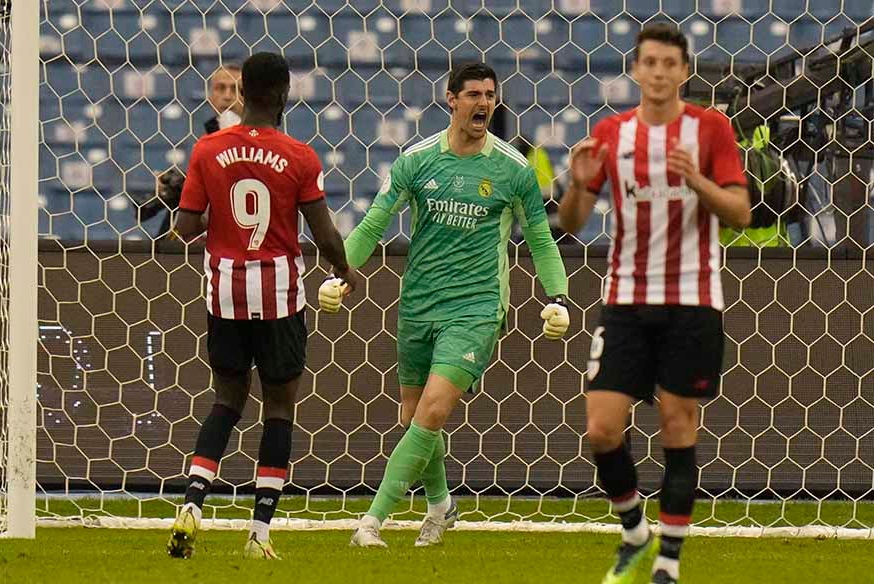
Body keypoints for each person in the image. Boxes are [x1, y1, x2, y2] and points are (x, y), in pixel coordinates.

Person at [319, 62, 570, 549]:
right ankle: (441, 505)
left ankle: (371, 522)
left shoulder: (513, 169)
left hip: (476, 307)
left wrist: (556, 294)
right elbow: (374, 222)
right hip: (418, 304)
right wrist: (341, 273)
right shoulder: (416, 161)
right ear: (450, 99)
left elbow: (539, 236)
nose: (483, 102)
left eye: (490, 95)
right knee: (412, 417)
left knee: (432, 412)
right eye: (473, 93)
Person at [558, 23, 750, 584]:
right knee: (601, 429)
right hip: (626, 299)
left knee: (677, 424)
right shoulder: (612, 135)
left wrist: (699, 183)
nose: (661, 73)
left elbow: (740, 213)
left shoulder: (711, 129)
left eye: (671, 63)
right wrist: (576, 186)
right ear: (636, 71)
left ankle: (668, 561)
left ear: (685, 72)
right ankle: (634, 528)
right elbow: (570, 223)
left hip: (693, 301)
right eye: (651, 63)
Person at [167, 52, 357, 560]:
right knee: (278, 407)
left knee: (227, 401)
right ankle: (259, 534)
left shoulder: (207, 150)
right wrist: (343, 269)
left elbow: (184, 228)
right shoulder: (300, 155)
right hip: (278, 296)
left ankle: (192, 502)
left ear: (244, 93)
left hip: (224, 292)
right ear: (282, 95)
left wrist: (205, 213)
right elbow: (323, 231)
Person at [137, 63, 244, 239]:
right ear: (210, 96)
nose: (227, 96)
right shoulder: (206, 140)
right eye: (220, 88)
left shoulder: (260, 141)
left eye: (236, 89)